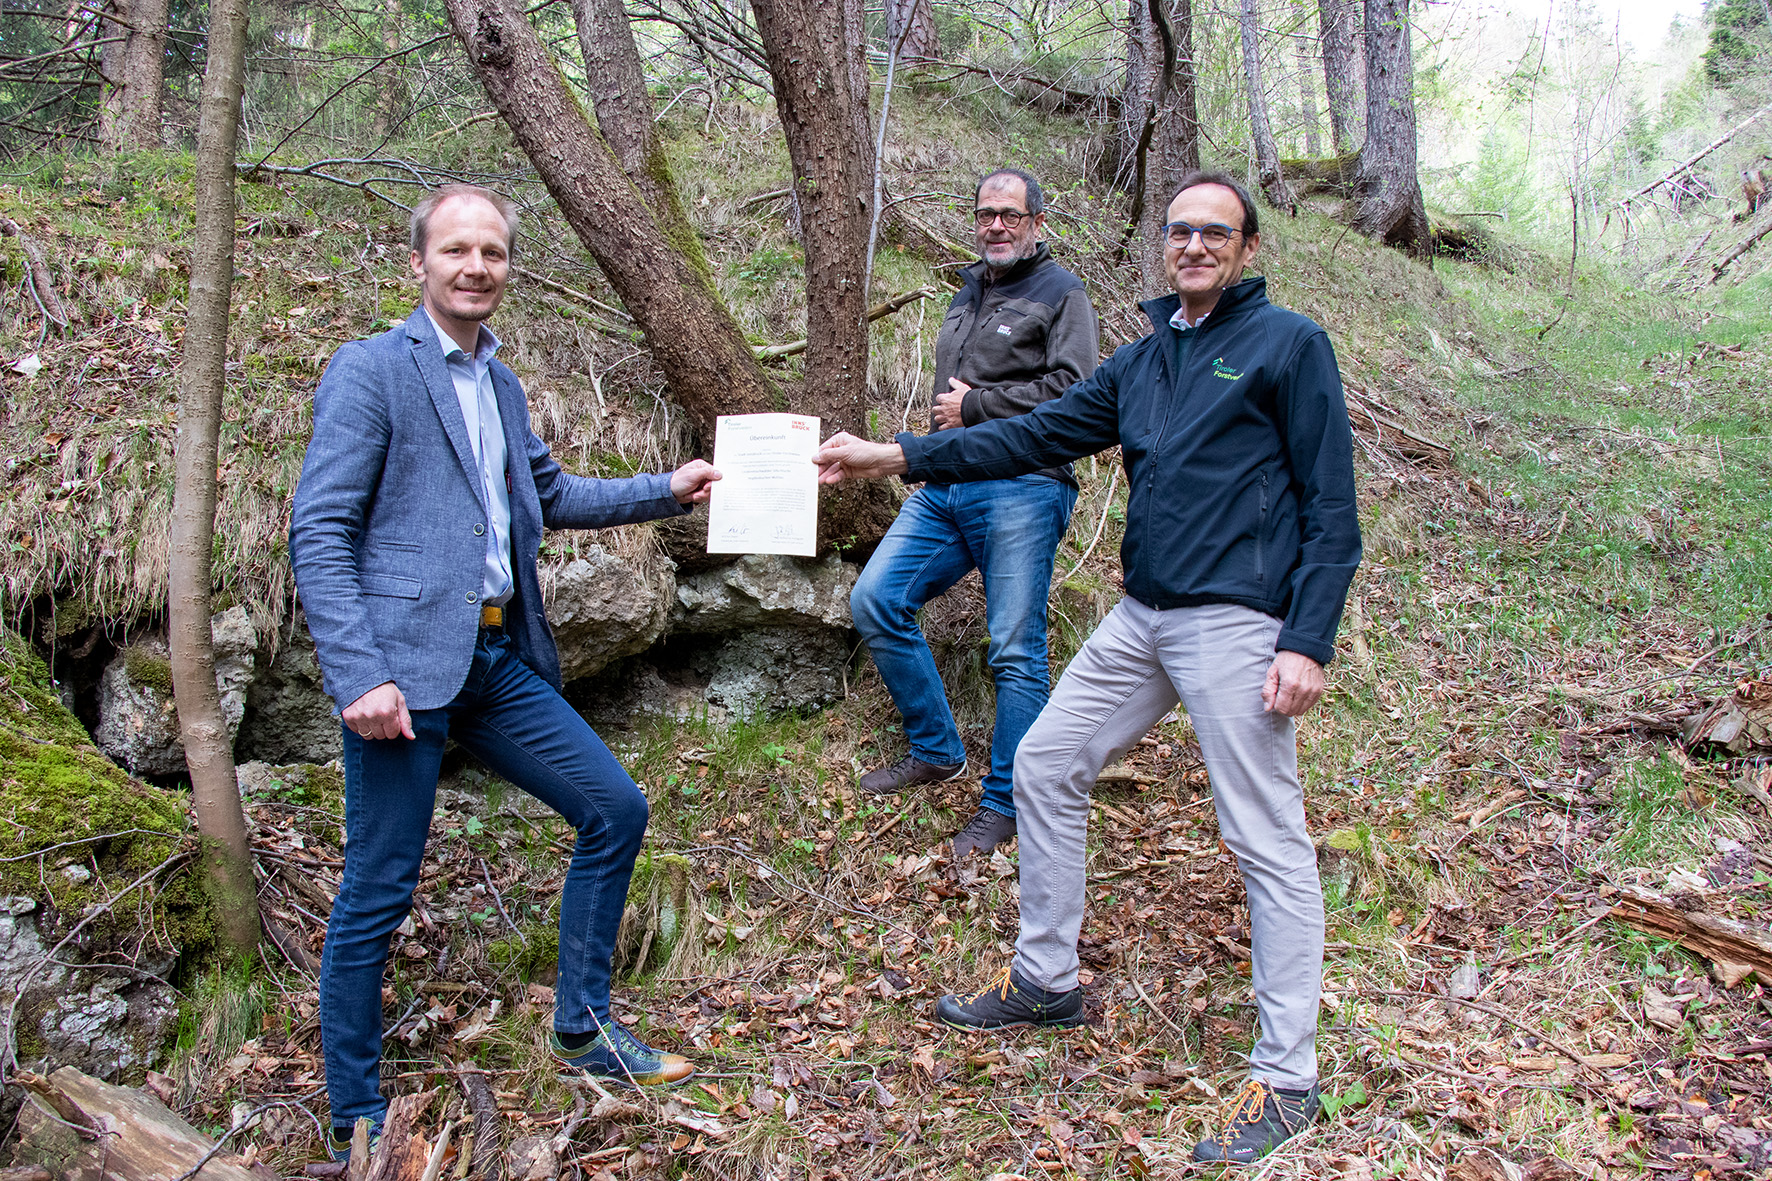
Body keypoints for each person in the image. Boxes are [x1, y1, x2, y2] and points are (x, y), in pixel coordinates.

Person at [813, 172, 1361, 1164]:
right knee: (1046, 761)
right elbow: (1031, 433)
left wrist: (1304, 637)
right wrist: (896, 455)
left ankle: (1286, 1076)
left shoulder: (1288, 347)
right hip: (1142, 614)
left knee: (1263, 834)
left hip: (1235, 623)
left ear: (1244, 248)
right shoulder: (1144, 360)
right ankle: (1046, 978)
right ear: (1163, 245)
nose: (1192, 245)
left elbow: (1331, 507)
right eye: (1178, 230)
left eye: (1213, 232)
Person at [290, 184, 720, 1160]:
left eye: (492, 251)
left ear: (507, 267)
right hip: (399, 675)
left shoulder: (502, 383)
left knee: (613, 806)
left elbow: (551, 495)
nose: (475, 265)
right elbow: (319, 529)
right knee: (377, 889)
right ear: (420, 262)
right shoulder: (372, 371)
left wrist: (668, 486)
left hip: (493, 656)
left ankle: (581, 1024)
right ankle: (355, 1110)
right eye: (456, 249)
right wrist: (359, 674)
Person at [850, 167, 1099, 859]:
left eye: (1010, 214)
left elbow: (1076, 394)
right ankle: (936, 748)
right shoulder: (966, 294)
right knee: (875, 597)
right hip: (946, 485)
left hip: (1024, 485)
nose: (995, 224)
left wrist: (979, 407)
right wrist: (930, 455)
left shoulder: (1062, 293)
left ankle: (1006, 803)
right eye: (985, 212)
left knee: (1016, 650)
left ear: (1036, 224)